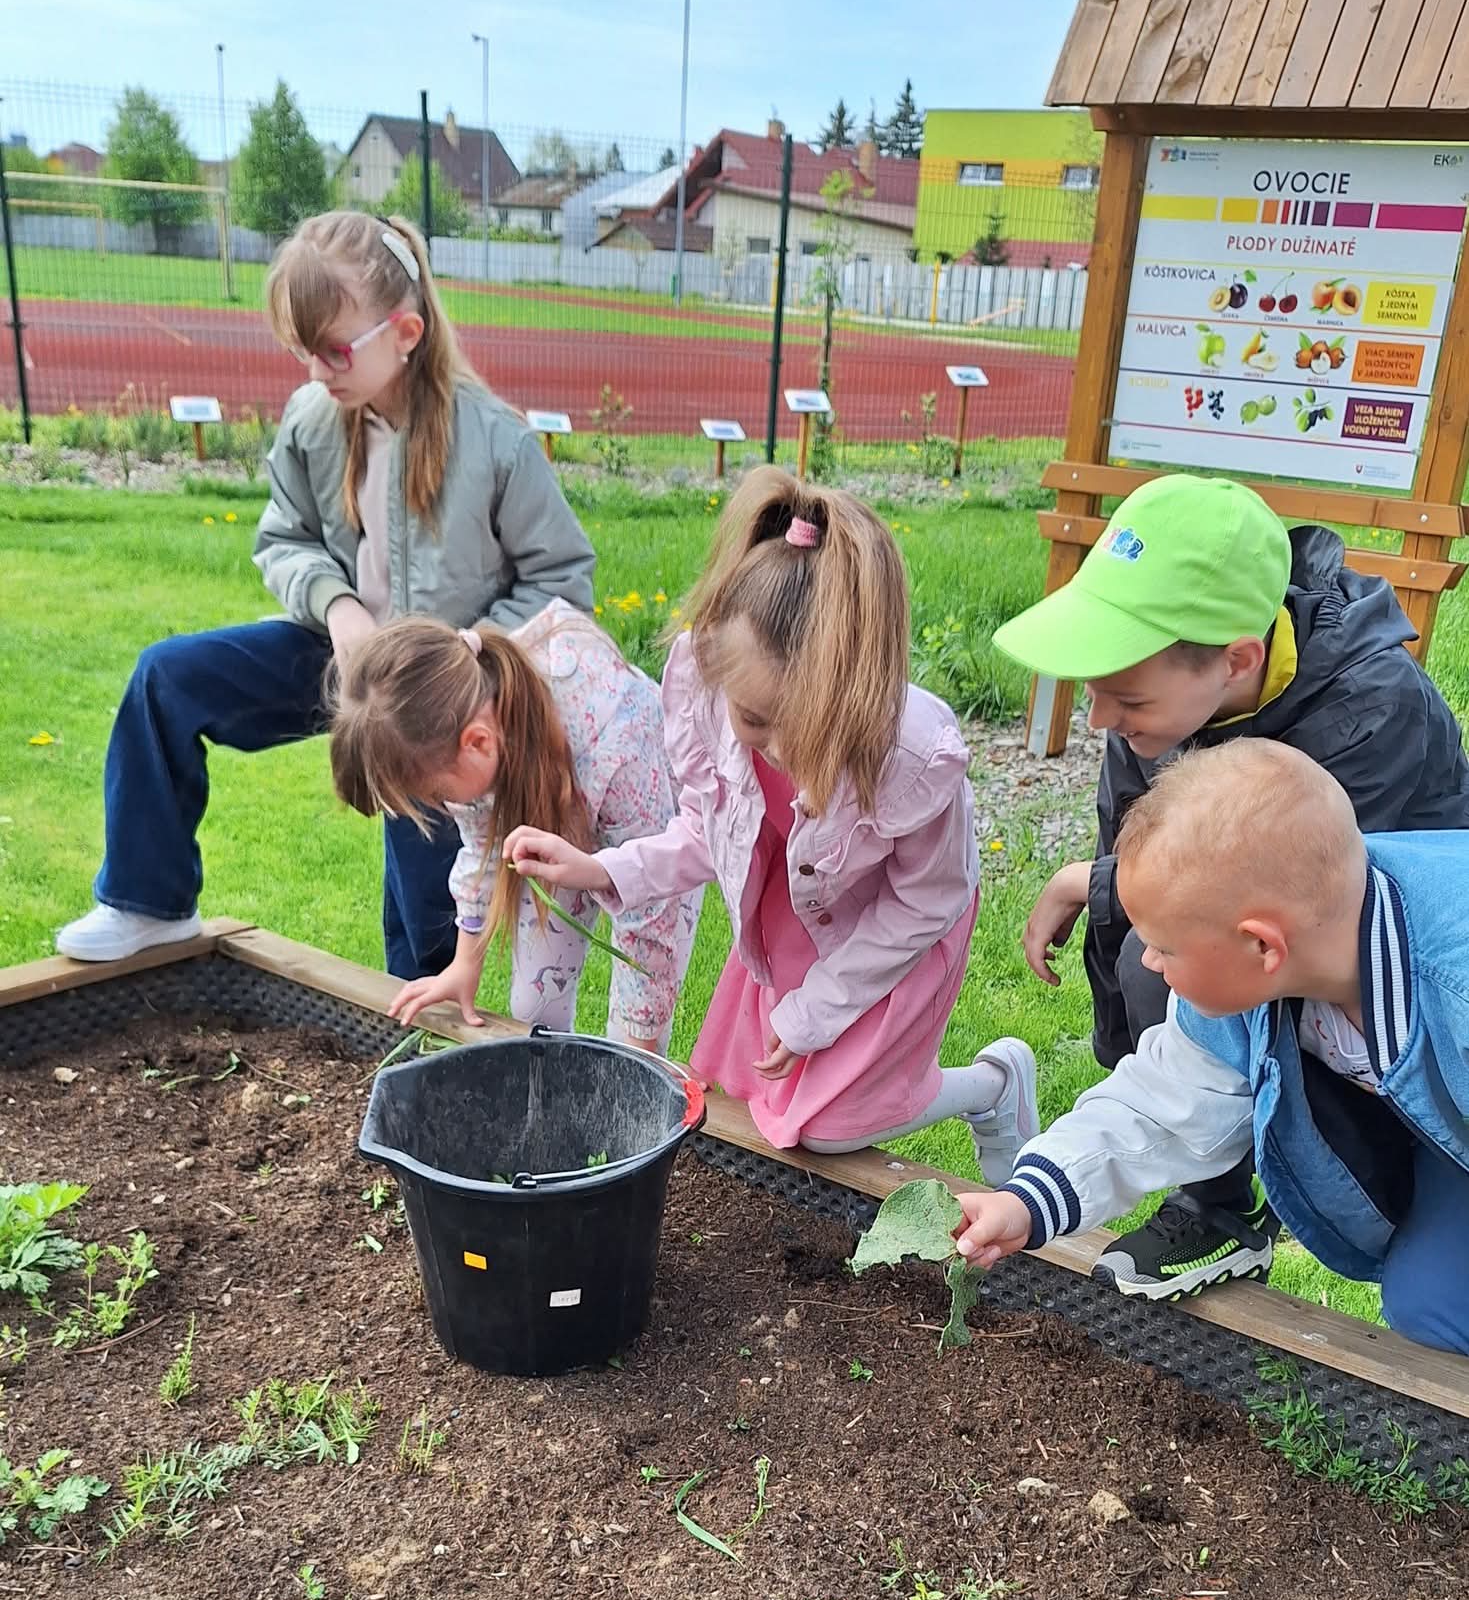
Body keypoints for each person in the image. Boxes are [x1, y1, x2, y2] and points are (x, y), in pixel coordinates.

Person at [56, 211, 595, 978]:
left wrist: (463, 657)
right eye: (301, 349)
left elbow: (560, 582)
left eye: (333, 349)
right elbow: (285, 538)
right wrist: (339, 609)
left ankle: (429, 1012)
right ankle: (150, 903)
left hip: (443, 687)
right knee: (166, 679)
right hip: (337, 648)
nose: (315, 371)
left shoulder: (494, 441)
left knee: (423, 881)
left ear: (405, 333)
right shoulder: (314, 418)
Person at [989, 473, 1469, 1300]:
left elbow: (1301, 882)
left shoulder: (1368, 712)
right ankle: (1227, 1200)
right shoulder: (1157, 699)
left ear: (1237, 661)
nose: (1100, 718)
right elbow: (1166, 1087)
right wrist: (1030, 1200)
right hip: (1355, 1005)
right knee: (1425, 1300)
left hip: (1411, 1000)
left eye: (1122, 698)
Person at [500, 467, 1036, 1174]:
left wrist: (816, 1008)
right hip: (791, 917)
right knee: (766, 1101)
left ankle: (992, 1086)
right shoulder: (714, 692)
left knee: (834, 1127)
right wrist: (601, 868)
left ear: (853, 695)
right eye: (754, 720)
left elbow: (924, 901)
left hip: (885, 928)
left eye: (808, 727)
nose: (779, 751)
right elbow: (708, 831)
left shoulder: (909, 759)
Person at [952, 741, 1469, 1357]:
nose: (1148, 961)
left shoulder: (1455, 987)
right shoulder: (1287, 961)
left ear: (1262, 946)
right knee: (1427, 1301)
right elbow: (1161, 1105)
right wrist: (1025, 1203)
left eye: (1164, 947)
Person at [328, 607, 697, 1051]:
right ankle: (548, 1088)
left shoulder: (616, 745)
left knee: (630, 1039)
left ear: (478, 743)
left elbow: (651, 909)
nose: (441, 806)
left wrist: (639, 1049)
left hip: (660, 846)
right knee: (532, 1007)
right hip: (559, 830)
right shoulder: (467, 723)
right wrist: (465, 963)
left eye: (435, 793)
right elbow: (480, 845)